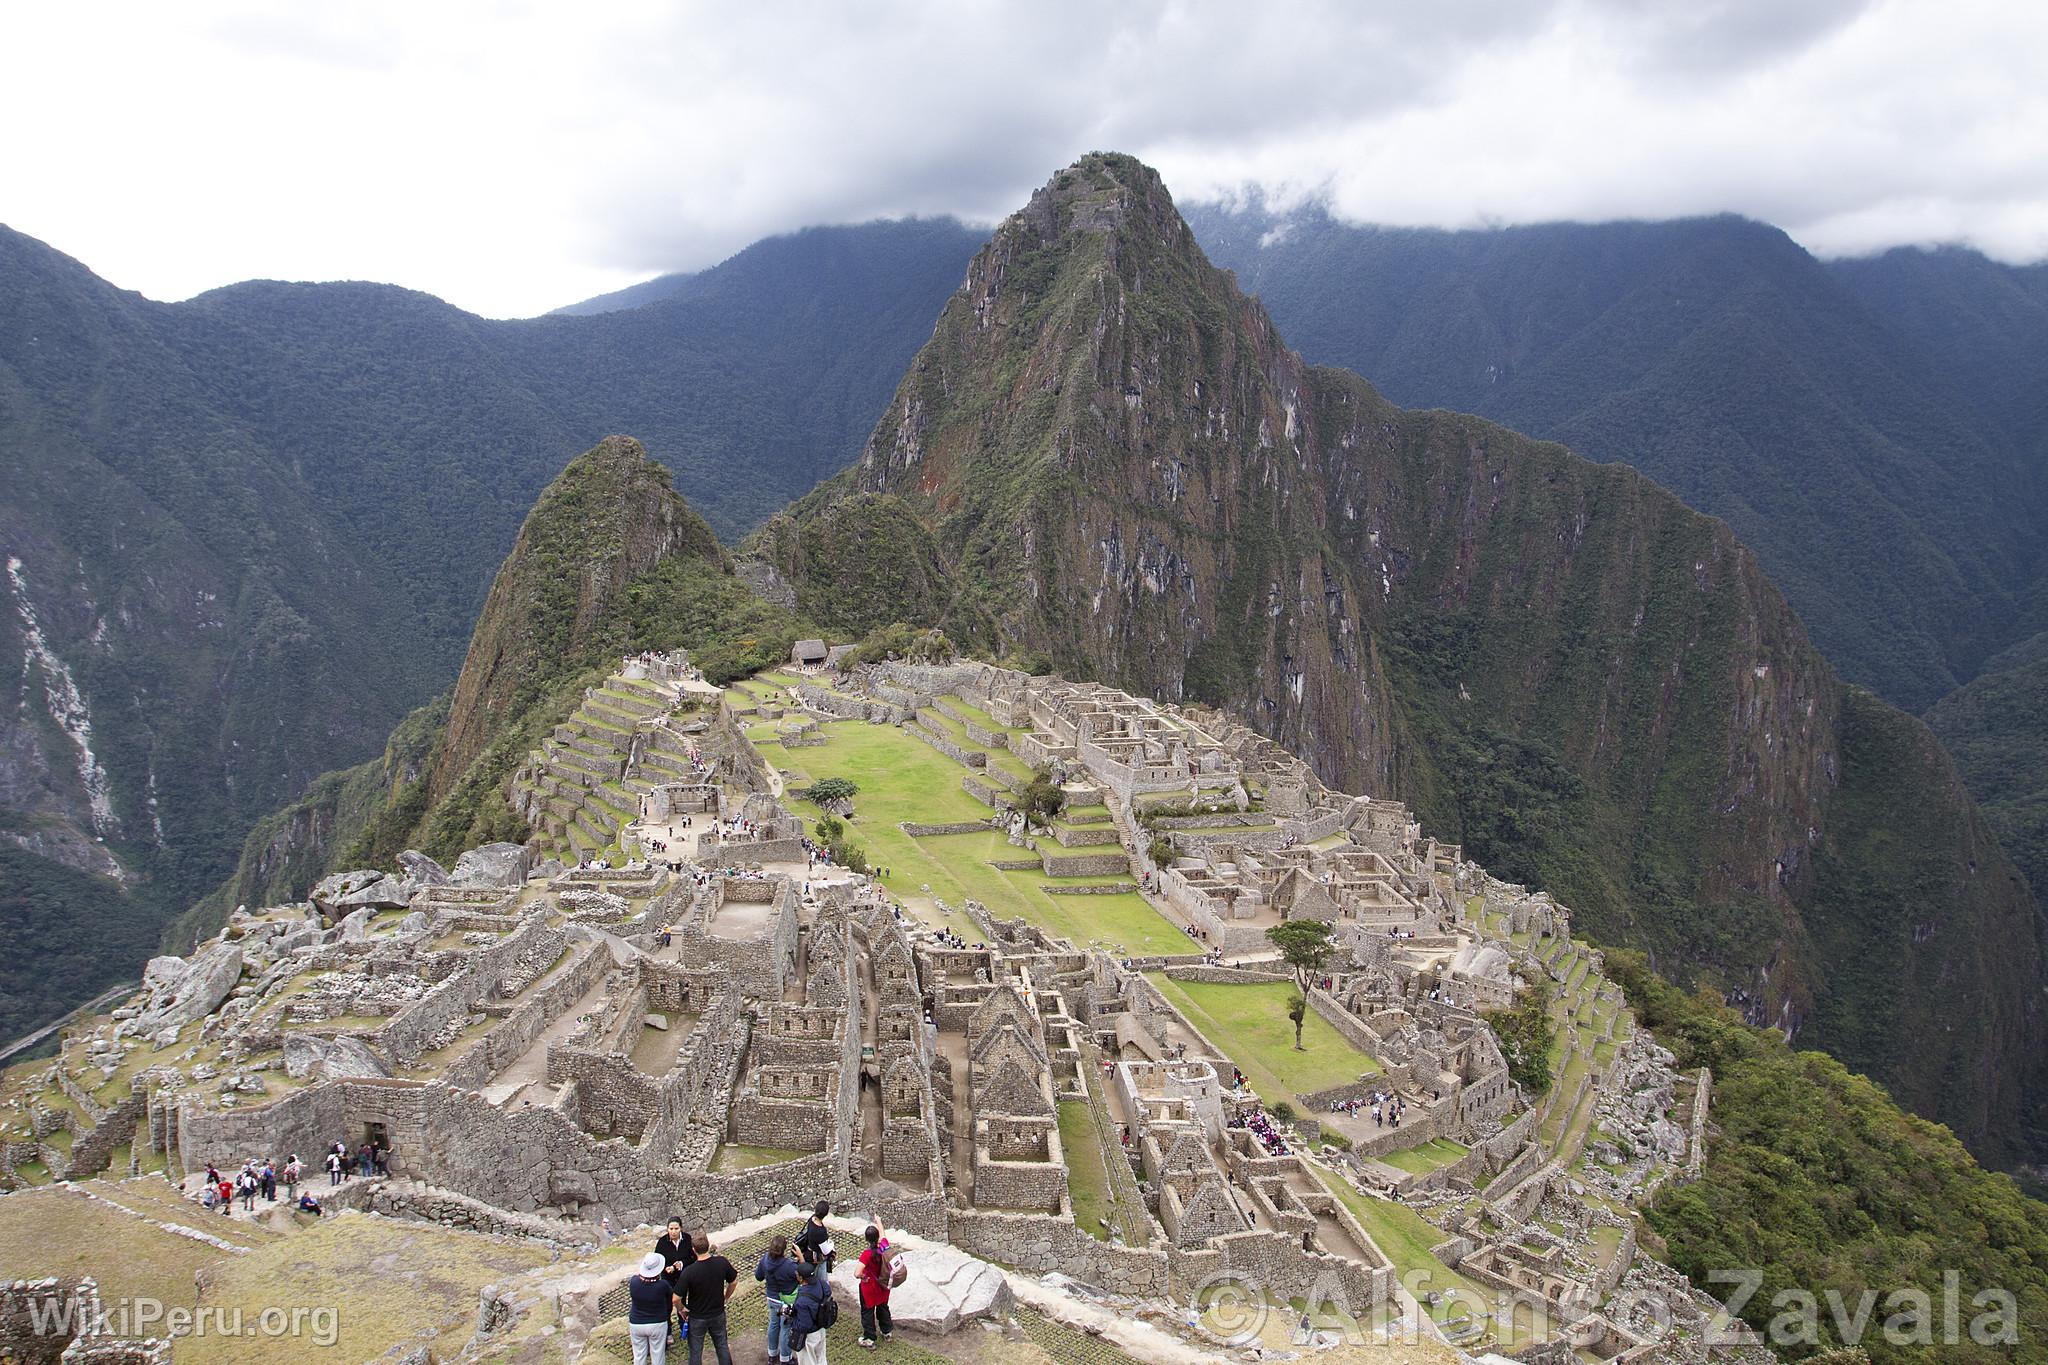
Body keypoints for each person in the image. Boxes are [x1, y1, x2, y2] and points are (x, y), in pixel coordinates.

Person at [676, 1231, 737, 1365]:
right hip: (718, 1313)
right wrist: (725, 1297)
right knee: (722, 1346)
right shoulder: (722, 1262)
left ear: (693, 1250)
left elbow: (675, 1298)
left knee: (696, 1352)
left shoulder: (689, 1272)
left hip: (697, 1317)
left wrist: (682, 1310)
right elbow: (733, 1282)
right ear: (708, 1246)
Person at [755, 1234, 802, 1364]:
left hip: (772, 1298)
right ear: (784, 1250)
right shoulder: (789, 1266)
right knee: (786, 1328)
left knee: (774, 1324)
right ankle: (785, 1359)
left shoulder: (765, 1260)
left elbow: (758, 1276)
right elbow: (802, 1277)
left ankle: (772, 1355)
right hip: (786, 1301)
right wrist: (800, 1258)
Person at [628, 1251, 676, 1365]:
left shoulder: (634, 1282)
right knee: (658, 1355)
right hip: (657, 1323)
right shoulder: (662, 1285)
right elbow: (670, 1297)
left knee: (639, 1356)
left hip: (636, 1323)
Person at [785, 1260, 835, 1365]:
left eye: (797, 1275)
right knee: (821, 1358)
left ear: (802, 1278)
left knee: (808, 1361)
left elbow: (804, 1325)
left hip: (810, 1336)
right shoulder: (822, 1285)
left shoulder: (802, 1301)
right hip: (821, 1329)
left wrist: (791, 1320)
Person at [855, 1222, 894, 1347]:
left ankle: (870, 1337)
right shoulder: (884, 1246)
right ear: (877, 1237)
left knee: (867, 1312)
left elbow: (857, 1273)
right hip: (883, 1285)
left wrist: (863, 1277)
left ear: (866, 1239)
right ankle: (887, 1331)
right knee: (883, 1307)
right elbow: (883, 1234)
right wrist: (879, 1222)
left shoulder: (866, 1254)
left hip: (870, 1287)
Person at [794, 1201, 834, 1272]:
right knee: (826, 1260)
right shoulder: (820, 1231)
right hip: (815, 1256)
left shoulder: (812, 1218)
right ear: (826, 1214)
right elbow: (825, 1251)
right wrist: (831, 1244)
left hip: (809, 1250)